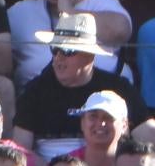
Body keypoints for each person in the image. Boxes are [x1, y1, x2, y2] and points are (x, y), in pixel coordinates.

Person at [14, 13, 143, 151]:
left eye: (68, 51)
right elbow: (21, 151)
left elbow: (151, 137)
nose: (58, 57)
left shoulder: (118, 88)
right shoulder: (35, 91)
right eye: (55, 49)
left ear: (90, 55)